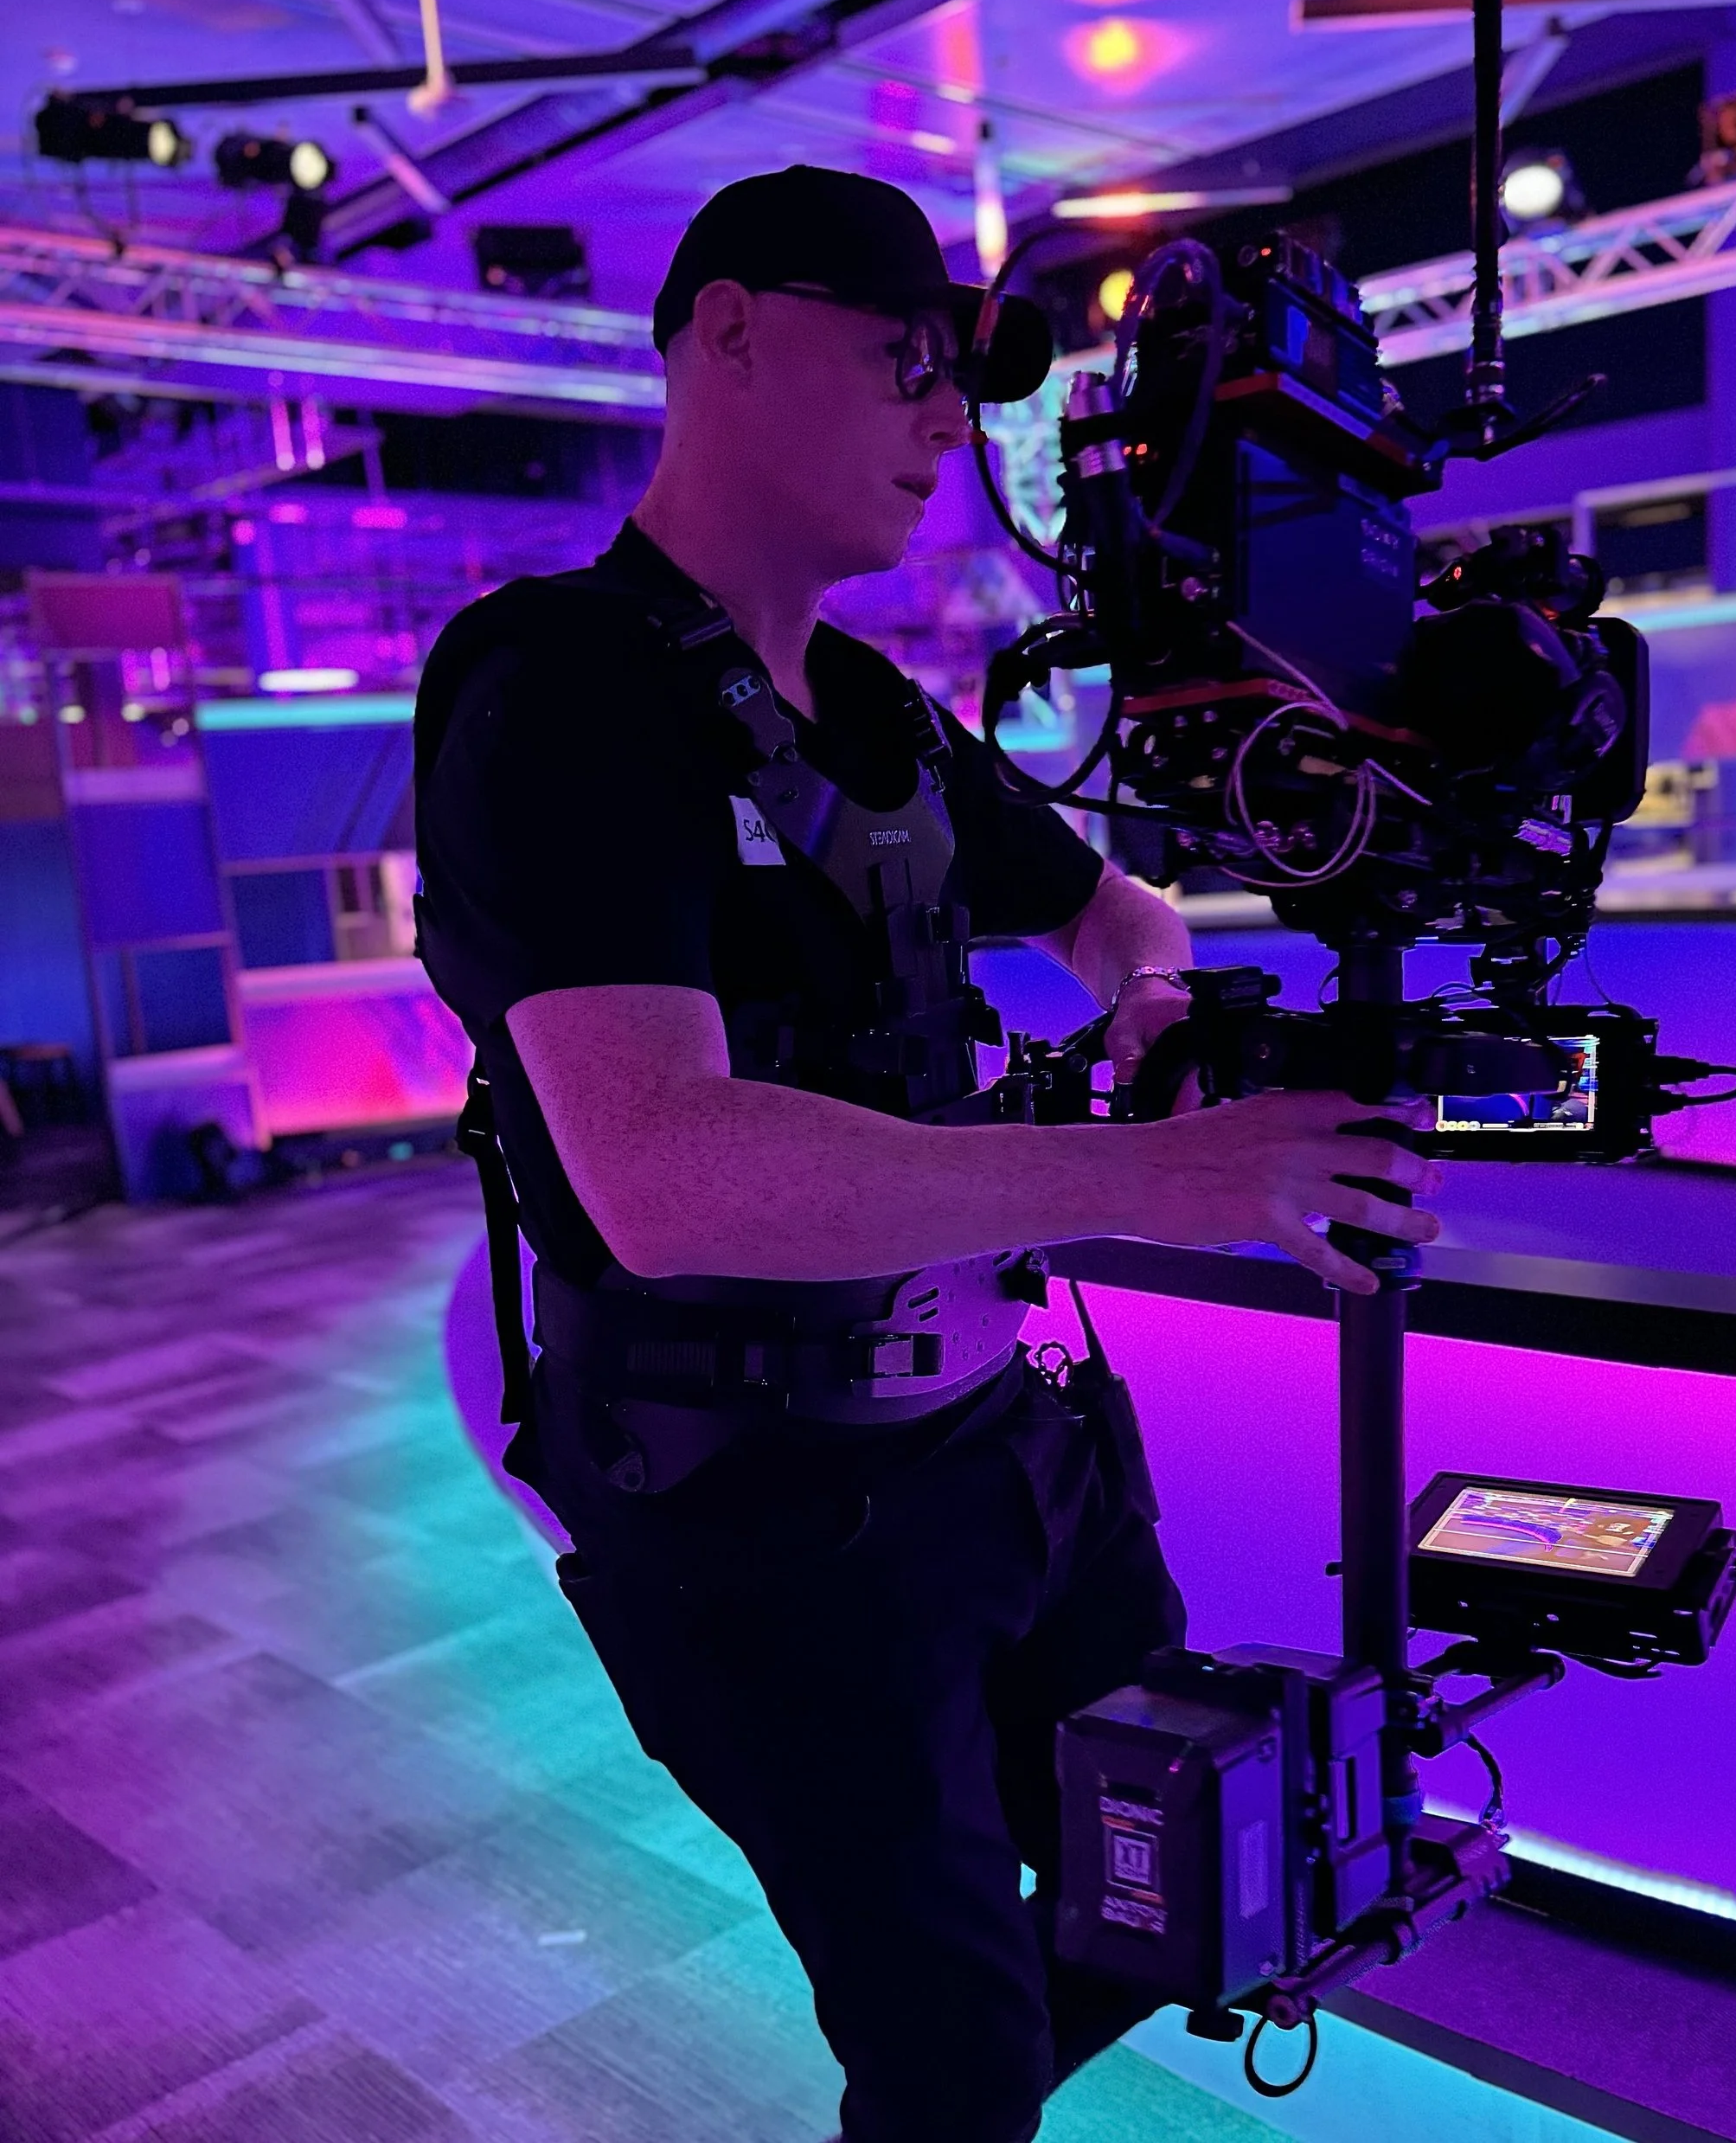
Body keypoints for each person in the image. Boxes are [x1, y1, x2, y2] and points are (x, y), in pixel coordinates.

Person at [412, 165, 1441, 2143]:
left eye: (951, 383)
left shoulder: (874, 708)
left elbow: (1120, 909)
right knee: (951, 2057)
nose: (939, 426)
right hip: (759, 1520)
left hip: (1002, 1447)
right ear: (728, 332)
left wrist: (1146, 1001)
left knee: (1185, 1860)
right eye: (900, 363)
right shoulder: (558, 693)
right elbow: (663, 1166)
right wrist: (1156, 1176)